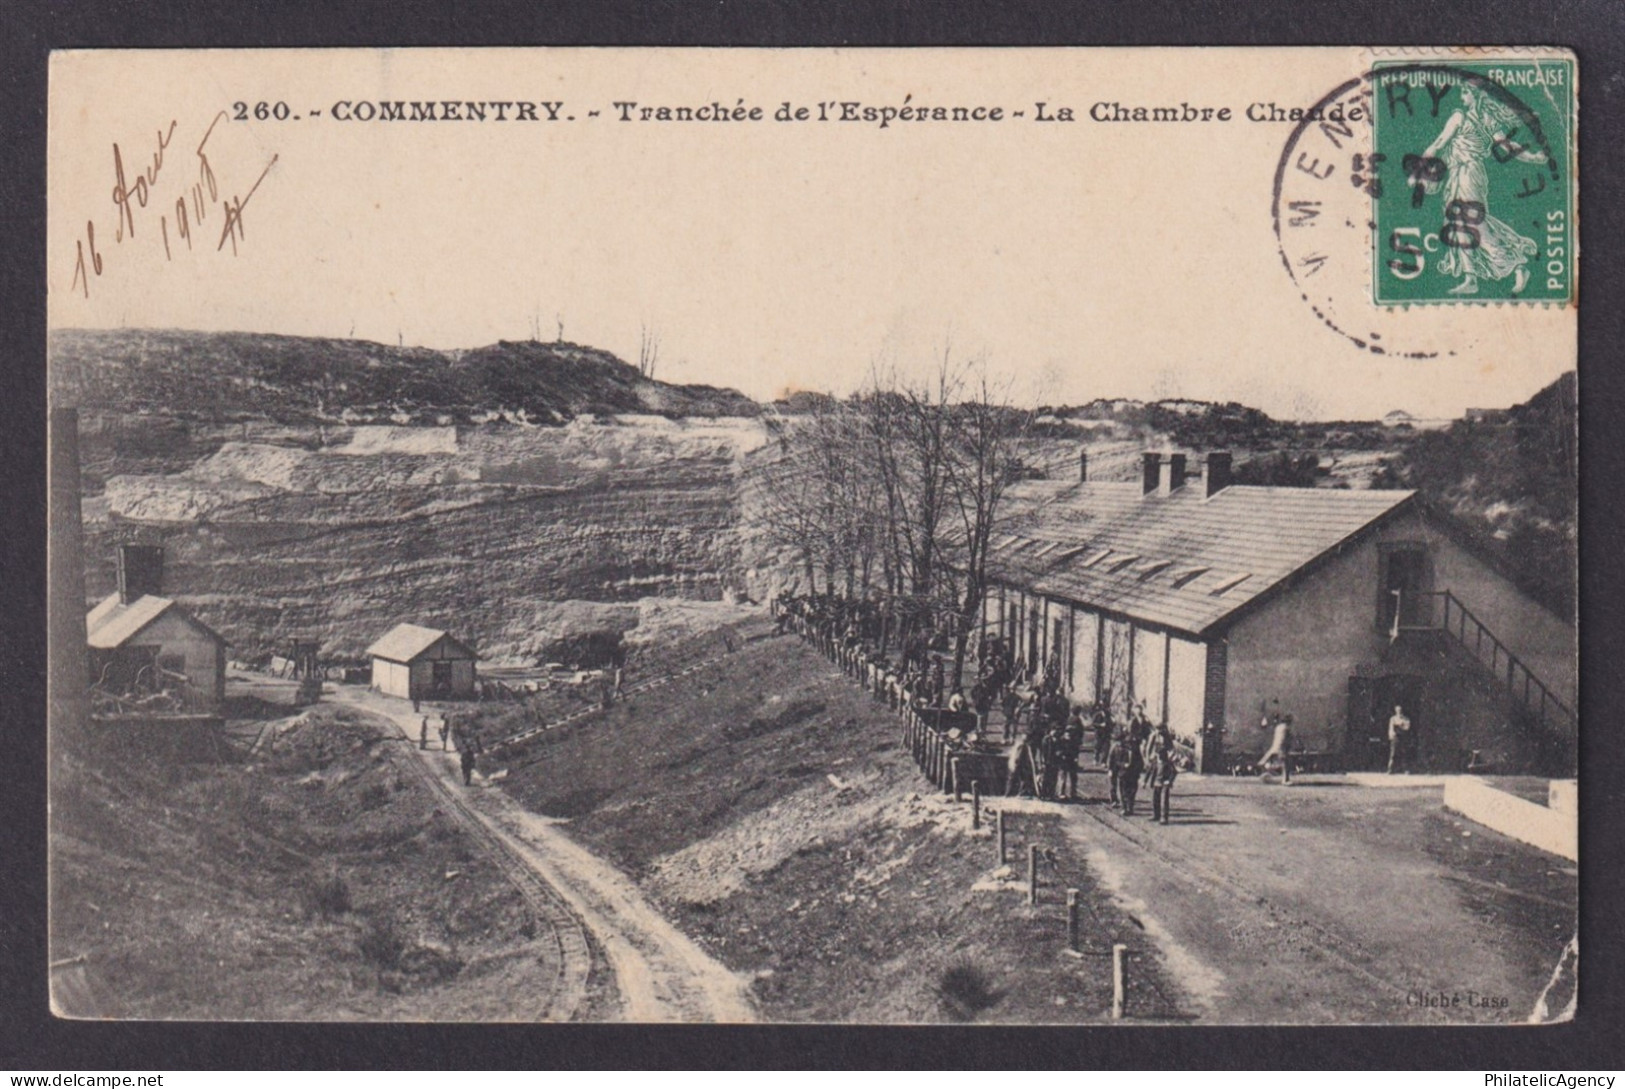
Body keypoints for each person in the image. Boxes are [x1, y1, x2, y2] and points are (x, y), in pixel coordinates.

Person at [1414, 82, 1547, 296]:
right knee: (1457, 223)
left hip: (1469, 175)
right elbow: (1508, 147)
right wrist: (1533, 157)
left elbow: (1439, 143)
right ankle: (1470, 278)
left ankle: (1516, 265)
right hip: (1459, 175)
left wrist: (1533, 158)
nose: (1461, 98)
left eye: (1464, 93)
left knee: (1475, 223)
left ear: (1474, 95)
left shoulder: (1468, 118)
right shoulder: (1482, 119)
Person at [1145, 725, 1178, 824]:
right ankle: (1156, 814)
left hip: (1164, 781)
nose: (1159, 731)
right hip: (1157, 781)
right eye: (1158, 729)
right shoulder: (1154, 736)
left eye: (1161, 729)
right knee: (1155, 798)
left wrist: (1169, 781)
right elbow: (1151, 770)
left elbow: (1174, 771)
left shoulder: (1167, 763)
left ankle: (1164, 817)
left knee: (1164, 799)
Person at [1259, 714, 1294, 784]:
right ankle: (1285, 780)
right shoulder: (1286, 728)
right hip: (1281, 749)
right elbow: (1287, 739)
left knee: (1281, 763)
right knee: (1286, 765)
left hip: (1274, 748)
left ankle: (1268, 770)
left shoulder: (1278, 727)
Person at [1058, 710, 1085, 801]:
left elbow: (1076, 751)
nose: (1069, 733)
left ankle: (1073, 793)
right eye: (1068, 732)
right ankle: (1062, 793)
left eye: (1071, 732)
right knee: (1063, 777)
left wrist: (1076, 758)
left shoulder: (1074, 742)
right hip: (1064, 760)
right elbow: (1059, 750)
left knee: (1073, 777)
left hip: (1072, 760)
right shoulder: (1062, 740)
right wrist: (1062, 756)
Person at [1387, 704, 1413, 774]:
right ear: (1395, 711)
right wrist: (1391, 735)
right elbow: (1391, 728)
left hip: (1403, 737)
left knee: (1404, 753)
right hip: (1395, 738)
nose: (1399, 711)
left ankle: (1405, 769)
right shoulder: (1393, 719)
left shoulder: (1406, 719)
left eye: (1400, 710)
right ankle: (1390, 769)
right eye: (1397, 710)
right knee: (1393, 753)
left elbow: (1407, 728)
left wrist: (1400, 725)